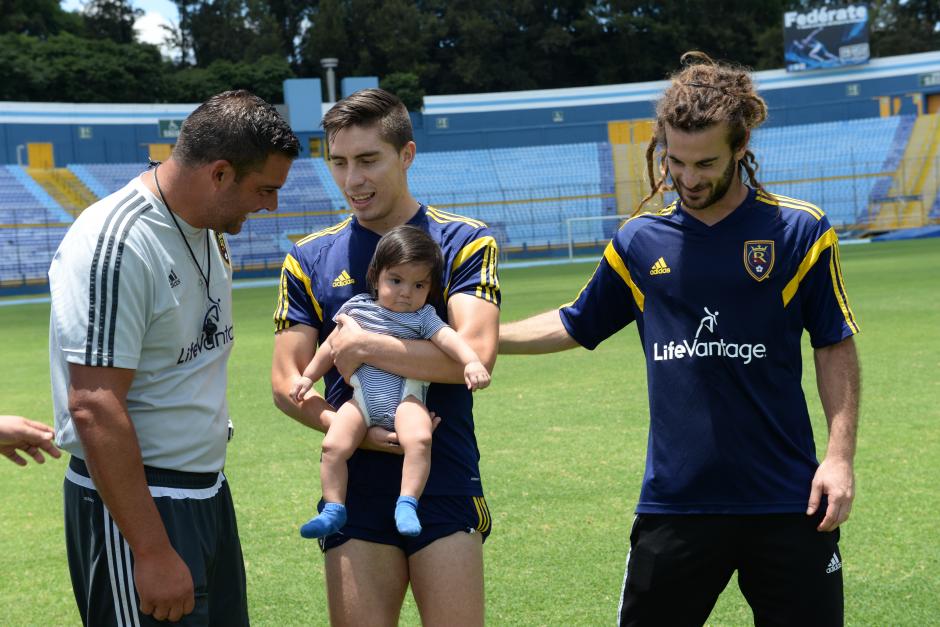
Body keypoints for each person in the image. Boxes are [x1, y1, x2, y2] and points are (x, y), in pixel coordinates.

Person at [500, 52, 860, 626]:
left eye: (706, 163)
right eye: (675, 160)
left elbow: (834, 342)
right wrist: (475, 340)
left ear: (742, 147)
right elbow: (575, 322)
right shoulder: (640, 240)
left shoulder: (800, 231)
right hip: (678, 503)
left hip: (789, 501)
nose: (687, 178)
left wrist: (839, 459)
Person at [49, 90, 299, 625]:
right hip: (140, 505)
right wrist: (153, 550)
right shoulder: (116, 243)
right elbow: (93, 404)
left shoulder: (207, 229)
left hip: (204, 492)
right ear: (220, 173)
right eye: (265, 189)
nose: (271, 206)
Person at [271, 88, 499, 626]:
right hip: (354, 488)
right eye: (340, 162)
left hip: (442, 476)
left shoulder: (462, 241)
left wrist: (362, 344)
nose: (353, 180)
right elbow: (286, 381)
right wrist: (351, 428)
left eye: (369, 160)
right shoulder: (308, 258)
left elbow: (475, 356)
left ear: (407, 155)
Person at [291, 225, 491, 539]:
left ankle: (407, 503)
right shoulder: (356, 309)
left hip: (406, 399)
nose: (405, 292)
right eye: (395, 280)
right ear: (375, 277)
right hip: (362, 403)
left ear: (430, 289)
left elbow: (449, 338)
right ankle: (333, 508)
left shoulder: (423, 317)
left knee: (420, 439)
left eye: (418, 285)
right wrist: (307, 377)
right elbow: (331, 346)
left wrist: (472, 361)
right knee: (332, 445)